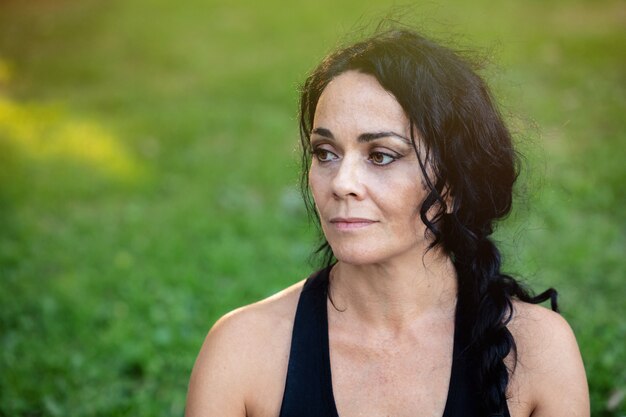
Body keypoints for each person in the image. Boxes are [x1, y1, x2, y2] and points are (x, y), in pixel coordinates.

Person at [185, 28, 589, 417]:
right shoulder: (242, 350)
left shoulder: (539, 352)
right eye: (325, 152)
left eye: (380, 155)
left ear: (455, 183)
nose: (342, 183)